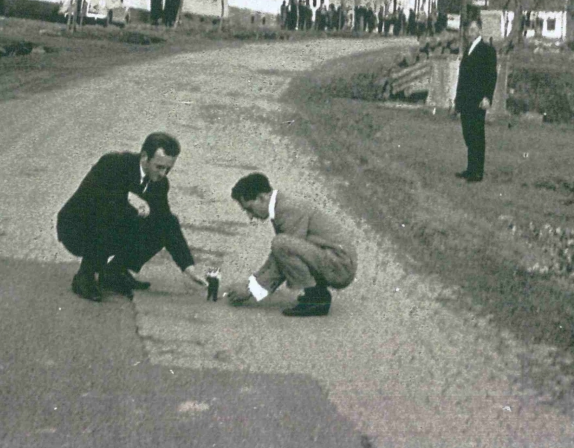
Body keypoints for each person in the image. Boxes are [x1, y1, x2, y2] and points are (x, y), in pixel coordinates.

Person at [56, 131, 208, 302]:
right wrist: (128, 197)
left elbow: (167, 222)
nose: (163, 174)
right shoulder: (114, 163)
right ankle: (86, 276)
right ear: (144, 157)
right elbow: (92, 197)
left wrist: (188, 268)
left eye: (168, 168)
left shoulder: (160, 184)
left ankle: (114, 273)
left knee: (163, 223)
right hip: (76, 228)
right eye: (159, 167)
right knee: (109, 211)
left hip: (110, 226)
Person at [222, 172, 357, 319]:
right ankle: (317, 294)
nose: (250, 216)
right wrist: (250, 283)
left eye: (249, 209)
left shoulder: (288, 209)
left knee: (281, 244)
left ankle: (317, 298)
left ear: (262, 198)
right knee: (282, 245)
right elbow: (279, 257)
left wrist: (251, 291)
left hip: (340, 267)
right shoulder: (281, 206)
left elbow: (282, 255)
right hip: (334, 260)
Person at [454, 14, 498, 183]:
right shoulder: (468, 49)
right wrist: (457, 101)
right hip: (466, 99)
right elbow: (462, 78)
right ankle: (470, 168)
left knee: (476, 135)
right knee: (467, 134)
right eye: (467, 30)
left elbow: (491, 76)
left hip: (478, 100)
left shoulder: (487, 50)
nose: (469, 33)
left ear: (480, 30)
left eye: (473, 30)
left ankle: (477, 172)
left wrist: (487, 97)